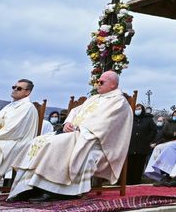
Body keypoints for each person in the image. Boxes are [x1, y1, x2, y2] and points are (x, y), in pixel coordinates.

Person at [7, 71, 133, 202]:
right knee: (39, 141)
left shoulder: (119, 102)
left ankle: (54, 189)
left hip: (94, 140)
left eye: (101, 82)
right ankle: (29, 186)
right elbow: (75, 112)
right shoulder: (95, 98)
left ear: (113, 84)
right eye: (97, 82)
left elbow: (107, 124)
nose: (97, 84)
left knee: (55, 144)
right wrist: (67, 123)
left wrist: (80, 128)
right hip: (76, 134)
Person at [126, 103, 158, 185]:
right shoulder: (130, 118)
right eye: (136, 109)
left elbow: (154, 130)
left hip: (142, 146)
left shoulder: (148, 119)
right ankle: (128, 181)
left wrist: (148, 139)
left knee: (139, 165)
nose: (138, 110)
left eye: (139, 108)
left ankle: (137, 181)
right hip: (131, 146)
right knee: (130, 164)